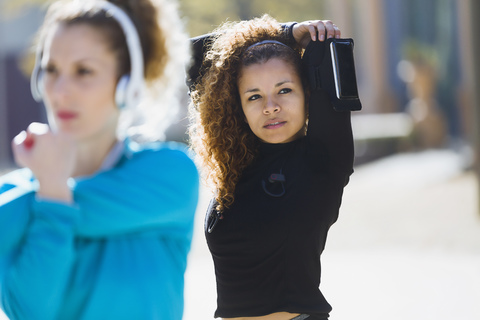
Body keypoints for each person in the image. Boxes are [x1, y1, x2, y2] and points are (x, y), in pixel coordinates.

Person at [0, 0, 198, 319]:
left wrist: (49, 200)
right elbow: (29, 312)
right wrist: (51, 193)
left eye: (84, 71)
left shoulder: (170, 173)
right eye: (51, 70)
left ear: (127, 84)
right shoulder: (14, 188)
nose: (60, 91)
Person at [188, 15, 353, 320]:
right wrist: (282, 34)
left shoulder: (324, 159)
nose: (270, 106)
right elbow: (180, 57)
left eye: (285, 90)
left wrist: (291, 36)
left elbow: (329, 55)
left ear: (308, 94)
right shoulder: (236, 165)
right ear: (238, 105)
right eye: (254, 96)